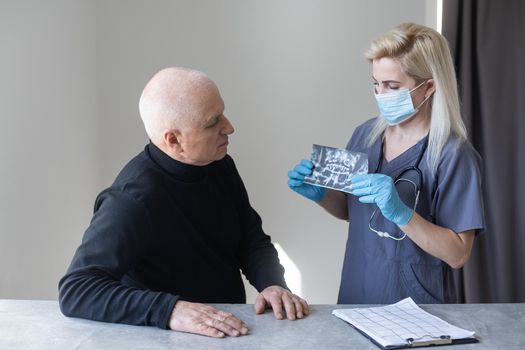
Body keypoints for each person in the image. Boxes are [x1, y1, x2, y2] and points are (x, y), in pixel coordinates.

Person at [59, 67, 308, 338]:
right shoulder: (132, 200)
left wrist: (271, 283)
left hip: (228, 333)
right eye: (213, 122)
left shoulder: (219, 164)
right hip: (164, 339)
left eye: (222, 112)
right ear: (174, 140)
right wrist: (170, 310)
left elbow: (250, 238)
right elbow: (77, 289)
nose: (229, 127)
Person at [288, 23, 485, 304]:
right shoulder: (365, 135)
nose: (381, 95)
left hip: (416, 307)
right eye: (376, 84)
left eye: (392, 86)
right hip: (358, 292)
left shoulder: (453, 155)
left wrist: (402, 213)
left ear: (428, 87)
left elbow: (458, 254)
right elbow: (351, 210)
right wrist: (322, 195)